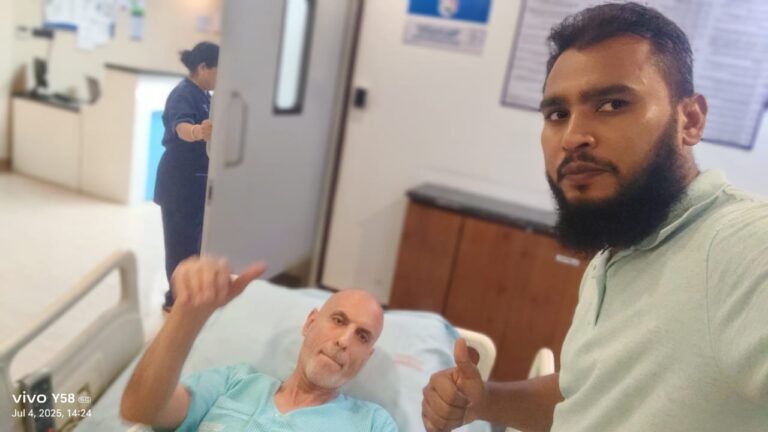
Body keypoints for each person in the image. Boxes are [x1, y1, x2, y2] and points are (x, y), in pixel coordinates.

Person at [421, 3, 768, 431]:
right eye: (557, 114)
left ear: (690, 120)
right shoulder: (617, 249)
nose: (572, 137)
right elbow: (588, 395)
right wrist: (486, 401)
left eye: (612, 104)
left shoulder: (744, 248)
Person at [120, 256, 399, 432]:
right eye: (338, 320)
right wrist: (187, 315)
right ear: (310, 323)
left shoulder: (371, 423)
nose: (344, 340)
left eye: (362, 337)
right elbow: (140, 408)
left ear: (366, 357)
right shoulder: (233, 382)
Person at [154, 42, 219, 312]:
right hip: (178, 181)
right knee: (180, 245)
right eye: (218, 70)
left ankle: (188, 297)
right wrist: (198, 132)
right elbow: (181, 126)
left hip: (195, 180)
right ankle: (175, 299)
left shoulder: (205, 95)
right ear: (203, 67)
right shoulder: (183, 93)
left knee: (194, 243)